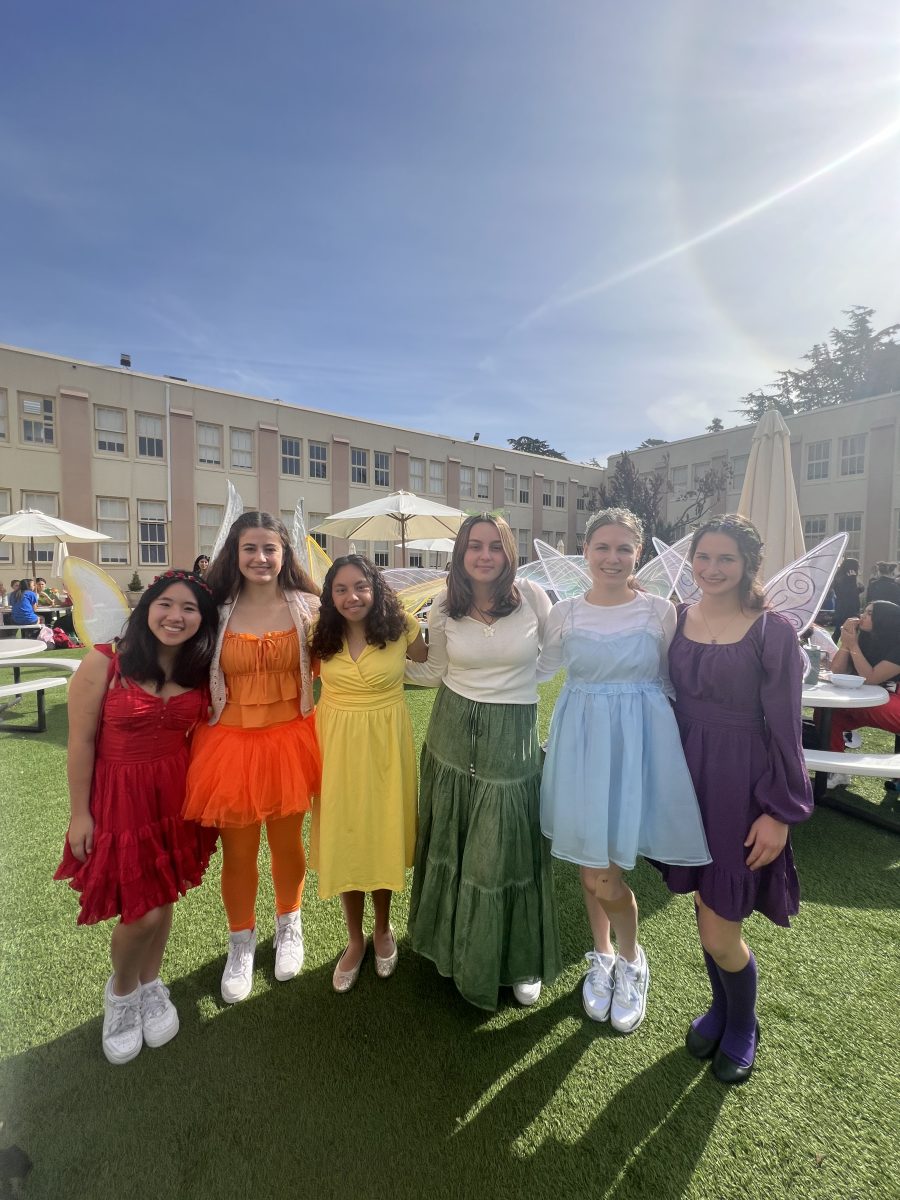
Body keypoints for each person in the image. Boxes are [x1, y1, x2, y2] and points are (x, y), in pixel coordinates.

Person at [538, 508, 710, 1033]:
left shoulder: (660, 610)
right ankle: (604, 954)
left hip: (638, 743)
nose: (613, 558)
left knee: (605, 868)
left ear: (638, 554)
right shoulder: (563, 612)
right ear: (584, 552)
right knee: (591, 860)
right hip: (581, 740)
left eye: (624, 549)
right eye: (602, 547)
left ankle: (632, 959)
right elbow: (538, 669)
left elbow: (671, 679)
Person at [656, 515, 813, 1084]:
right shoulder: (674, 619)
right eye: (703, 557)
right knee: (704, 902)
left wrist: (779, 813)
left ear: (749, 565)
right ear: (690, 560)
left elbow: (785, 729)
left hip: (740, 784)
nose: (712, 569)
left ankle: (743, 1021)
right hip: (684, 776)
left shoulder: (773, 632)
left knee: (722, 923)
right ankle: (721, 1008)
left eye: (726, 559)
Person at [54, 570, 219, 1064]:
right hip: (119, 798)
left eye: (189, 609)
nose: (176, 616)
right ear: (147, 608)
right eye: (166, 604)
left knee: (163, 893)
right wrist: (79, 815)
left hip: (173, 796)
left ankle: (151, 982)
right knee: (140, 910)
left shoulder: (199, 667)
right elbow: (80, 743)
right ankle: (122, 995)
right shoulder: (106, 662)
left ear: (201, 620)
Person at [405, 513, 561, 1010]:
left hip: (511, 731)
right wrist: (367, 661)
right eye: (475, 545)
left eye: (495, 545)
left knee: (505, 844)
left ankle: (516, 959)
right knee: (453, 833)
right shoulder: (444, 604)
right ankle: (450, 944)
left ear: (508, 551)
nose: (485, 554)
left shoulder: (534, 597)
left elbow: (553, 658)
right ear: (461, 553)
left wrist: (512, 685)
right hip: (451, 727)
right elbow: (433, 671)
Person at [183, 513, 321, 1004]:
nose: (261, 558)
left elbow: (345, 657)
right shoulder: (214, 609)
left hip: (292, 742)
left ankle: (290, 926)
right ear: (234, 555)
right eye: (250, 549)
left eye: (270, 549)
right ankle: (240, 943)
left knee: (288, 845)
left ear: (285, 555)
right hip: (228, 747)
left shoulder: (310, 607)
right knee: (239, 855)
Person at [310, 554, 427, 992]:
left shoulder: (402, 630)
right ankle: (354, 939)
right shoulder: (318, 635)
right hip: (336, 746)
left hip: (385, 745)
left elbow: (433, 663)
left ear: (375, 587)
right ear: (329, 595)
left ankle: (382, 930)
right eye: (340, 589)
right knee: (346, 837)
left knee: (381, 835)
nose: (351, 597)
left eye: (360, 586)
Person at [824, 600, 900, 787]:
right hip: (875, 698)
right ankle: (836, 769)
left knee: (847, 705)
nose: (862, 616)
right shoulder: (864, 638)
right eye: (863, 611)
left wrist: (853, 645)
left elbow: (871, 678)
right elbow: (837, 671)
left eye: (869, 613)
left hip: (893, 699)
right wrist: (846, 643)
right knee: (828, 712)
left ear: (884, 619)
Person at [831, 558, 862, 633]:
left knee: (839, 630)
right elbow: (852, 592)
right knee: (848, 629)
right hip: (849, 607)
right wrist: (853, 579)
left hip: (842, 607)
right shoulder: (849, 579)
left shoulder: (840, 577)